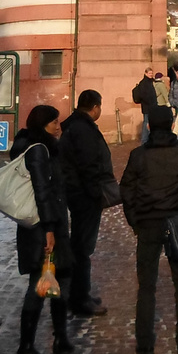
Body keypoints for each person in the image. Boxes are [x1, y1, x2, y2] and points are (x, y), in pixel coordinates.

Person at [120, 105, 178, 354]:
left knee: (146, 286)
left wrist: (135, 220)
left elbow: (126, 190)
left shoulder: (138, 155)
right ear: (171, 124)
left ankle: (144, 344)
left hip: (148, 223)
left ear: (149, 126)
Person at [9, 106, 73, 354]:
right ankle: (26, 346)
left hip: (50, 224)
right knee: (40, 283)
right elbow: (42, 190)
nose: (59, 126)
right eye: (54, 122)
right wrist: (49, 229)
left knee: (59, 279)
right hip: (42, 228)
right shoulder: (37, 150)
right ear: (43, 124)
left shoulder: (43, 147)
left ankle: (61, 337)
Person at [60, 89, 116, 317]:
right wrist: (95, 193)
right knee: (82, 248)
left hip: (78, 193)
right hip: (84, 195)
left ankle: (80, 294)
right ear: (94, 107)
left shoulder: (74, 126)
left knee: (80, 247)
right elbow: (88, 164)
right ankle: (79, 298)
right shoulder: (84, 130)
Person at [132, 68, 159, 143]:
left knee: (150, 123)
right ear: (146, 73)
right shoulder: (143, 83)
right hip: (147, 107)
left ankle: (150, 138)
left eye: (151, 73)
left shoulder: (151, 82)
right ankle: (144, 140)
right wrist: (151, 102)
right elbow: (143, 96)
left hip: (152, 106)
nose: (151, 75)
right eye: (149, 73)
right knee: (146, 123)